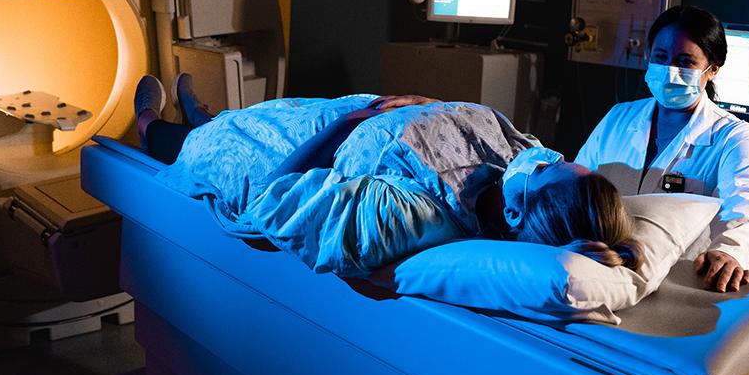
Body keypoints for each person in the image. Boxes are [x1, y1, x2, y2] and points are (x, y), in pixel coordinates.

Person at [132, 75, 644, 279]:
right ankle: (200, 109)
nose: (545, 154)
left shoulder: (410, 214)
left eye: (551, 169)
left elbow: (271, 198)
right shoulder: (518, 166)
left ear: (515, 213)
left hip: (299, 146)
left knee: (216, 144)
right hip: (342, 113)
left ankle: (152, 125)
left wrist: (352, 122)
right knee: (244, 115)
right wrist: (430, 104)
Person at [575, 6, 749, 375]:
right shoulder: (620, 118)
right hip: (605, 272)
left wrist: (732, 251)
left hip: (672, 287)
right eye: (661, 58)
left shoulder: (731, 137)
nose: (670, 71)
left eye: (686, 61)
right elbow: (582, 179)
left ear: (713, 70)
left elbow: (745, 202)